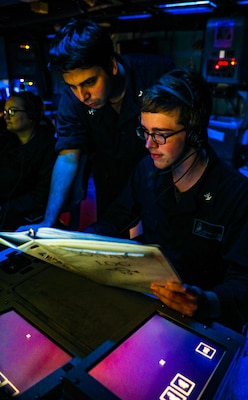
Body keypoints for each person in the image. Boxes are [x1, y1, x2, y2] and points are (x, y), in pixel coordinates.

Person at [84, 68, 248, 333]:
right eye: (145, 132)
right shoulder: (146, 171)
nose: (149, 145)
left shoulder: (237, 195)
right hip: (153, 306)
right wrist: (76, 243)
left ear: (195, 134)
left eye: (161, 134)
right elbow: (116, 217)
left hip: (206, 323)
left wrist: (206, 302)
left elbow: (242, 282)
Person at [17, 17, 175, 233]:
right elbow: (68, 157)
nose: (82, 96)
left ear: (111, 65)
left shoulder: (157, 75)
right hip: (111, 193)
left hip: (162, 187)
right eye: (73, 86)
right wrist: (48, 222)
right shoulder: (72, 100)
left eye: (89, 82)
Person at [0, 91, 56, 230]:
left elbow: (41, 194)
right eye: (5, 111)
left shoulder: (48, 148)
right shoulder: (6, 143)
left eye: (12, 111)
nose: (6, 116)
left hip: (21, 218)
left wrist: (4, 208)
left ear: (31, 115)